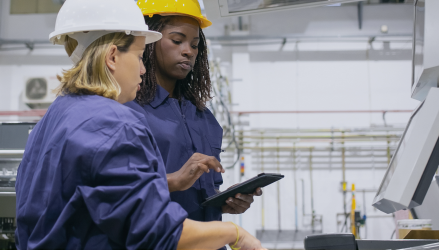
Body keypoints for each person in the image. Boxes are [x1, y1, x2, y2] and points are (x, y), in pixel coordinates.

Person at [15, 0, 266, 249]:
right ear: (112, 56)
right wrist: (234, 233)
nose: (144, 68)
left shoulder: (56, 114)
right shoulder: (114, 122)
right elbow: (155, 231)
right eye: (138, 56)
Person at [126, 0, 263, 227]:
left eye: (195, 44)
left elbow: (207, 190)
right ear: (147, 42)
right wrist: (174, 181)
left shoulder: (204, 117)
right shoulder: (128, 111)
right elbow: (115, 187)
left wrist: (225, 200)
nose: (188, 51)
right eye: (177, 41)